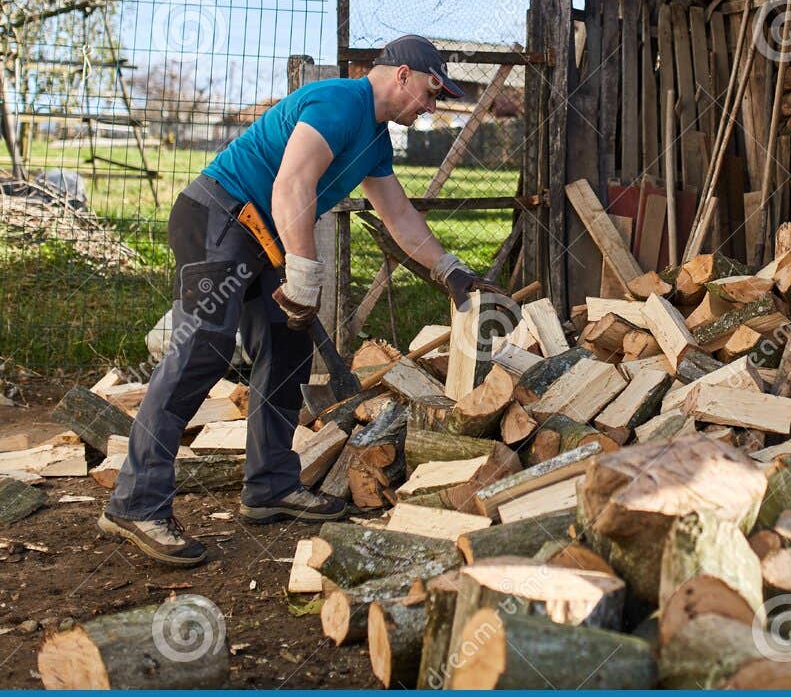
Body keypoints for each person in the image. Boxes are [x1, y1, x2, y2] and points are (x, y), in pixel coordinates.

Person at [99, 36, 500, 565]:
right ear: (403, 74)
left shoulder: (375, 141)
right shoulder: (338, 101)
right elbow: (292, 184)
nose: (430, 108)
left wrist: (449, 268)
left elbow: (399, 216)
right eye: (429, 92)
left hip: (262, 236)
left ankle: (269, 486)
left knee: (287, 348)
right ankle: (135, 501)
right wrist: (305, 273)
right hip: (219, 217)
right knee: (204, 350)